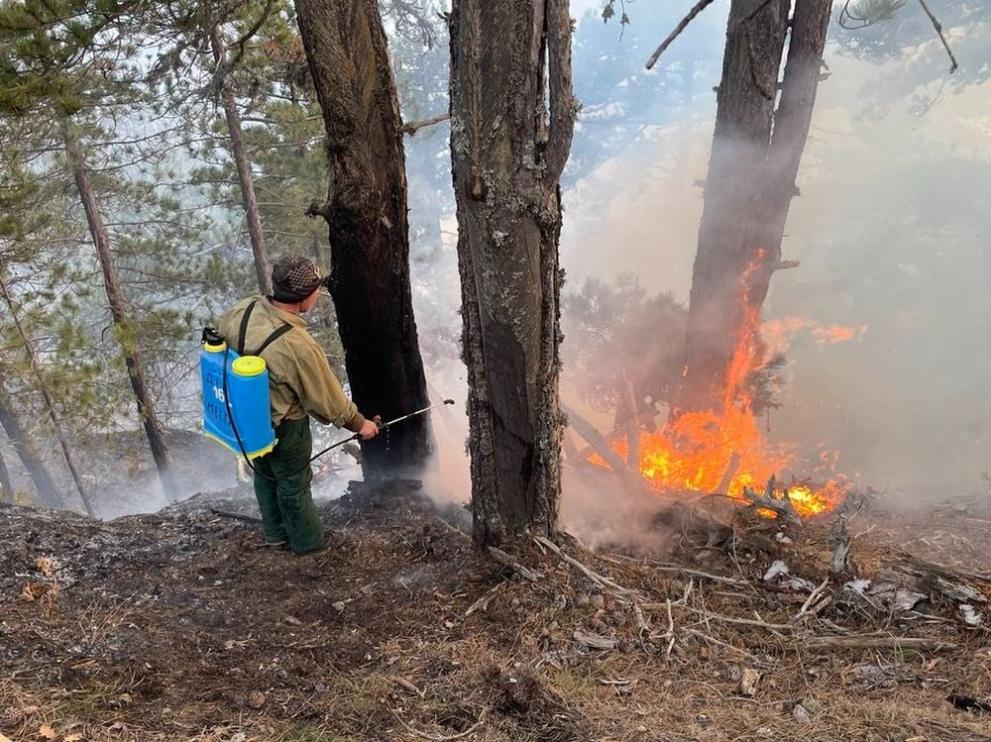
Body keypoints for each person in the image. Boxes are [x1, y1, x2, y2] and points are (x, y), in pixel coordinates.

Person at [218, 254, 379, 554]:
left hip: (246, 417)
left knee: (264, 473)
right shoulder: (298, 346)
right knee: (293, 483)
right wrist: (361, 424)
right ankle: (308, 545)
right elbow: (329, 401)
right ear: (304, 297)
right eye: (317, 289)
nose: (319, 294)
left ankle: (275, 534)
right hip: (285, 426)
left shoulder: (245, 309)